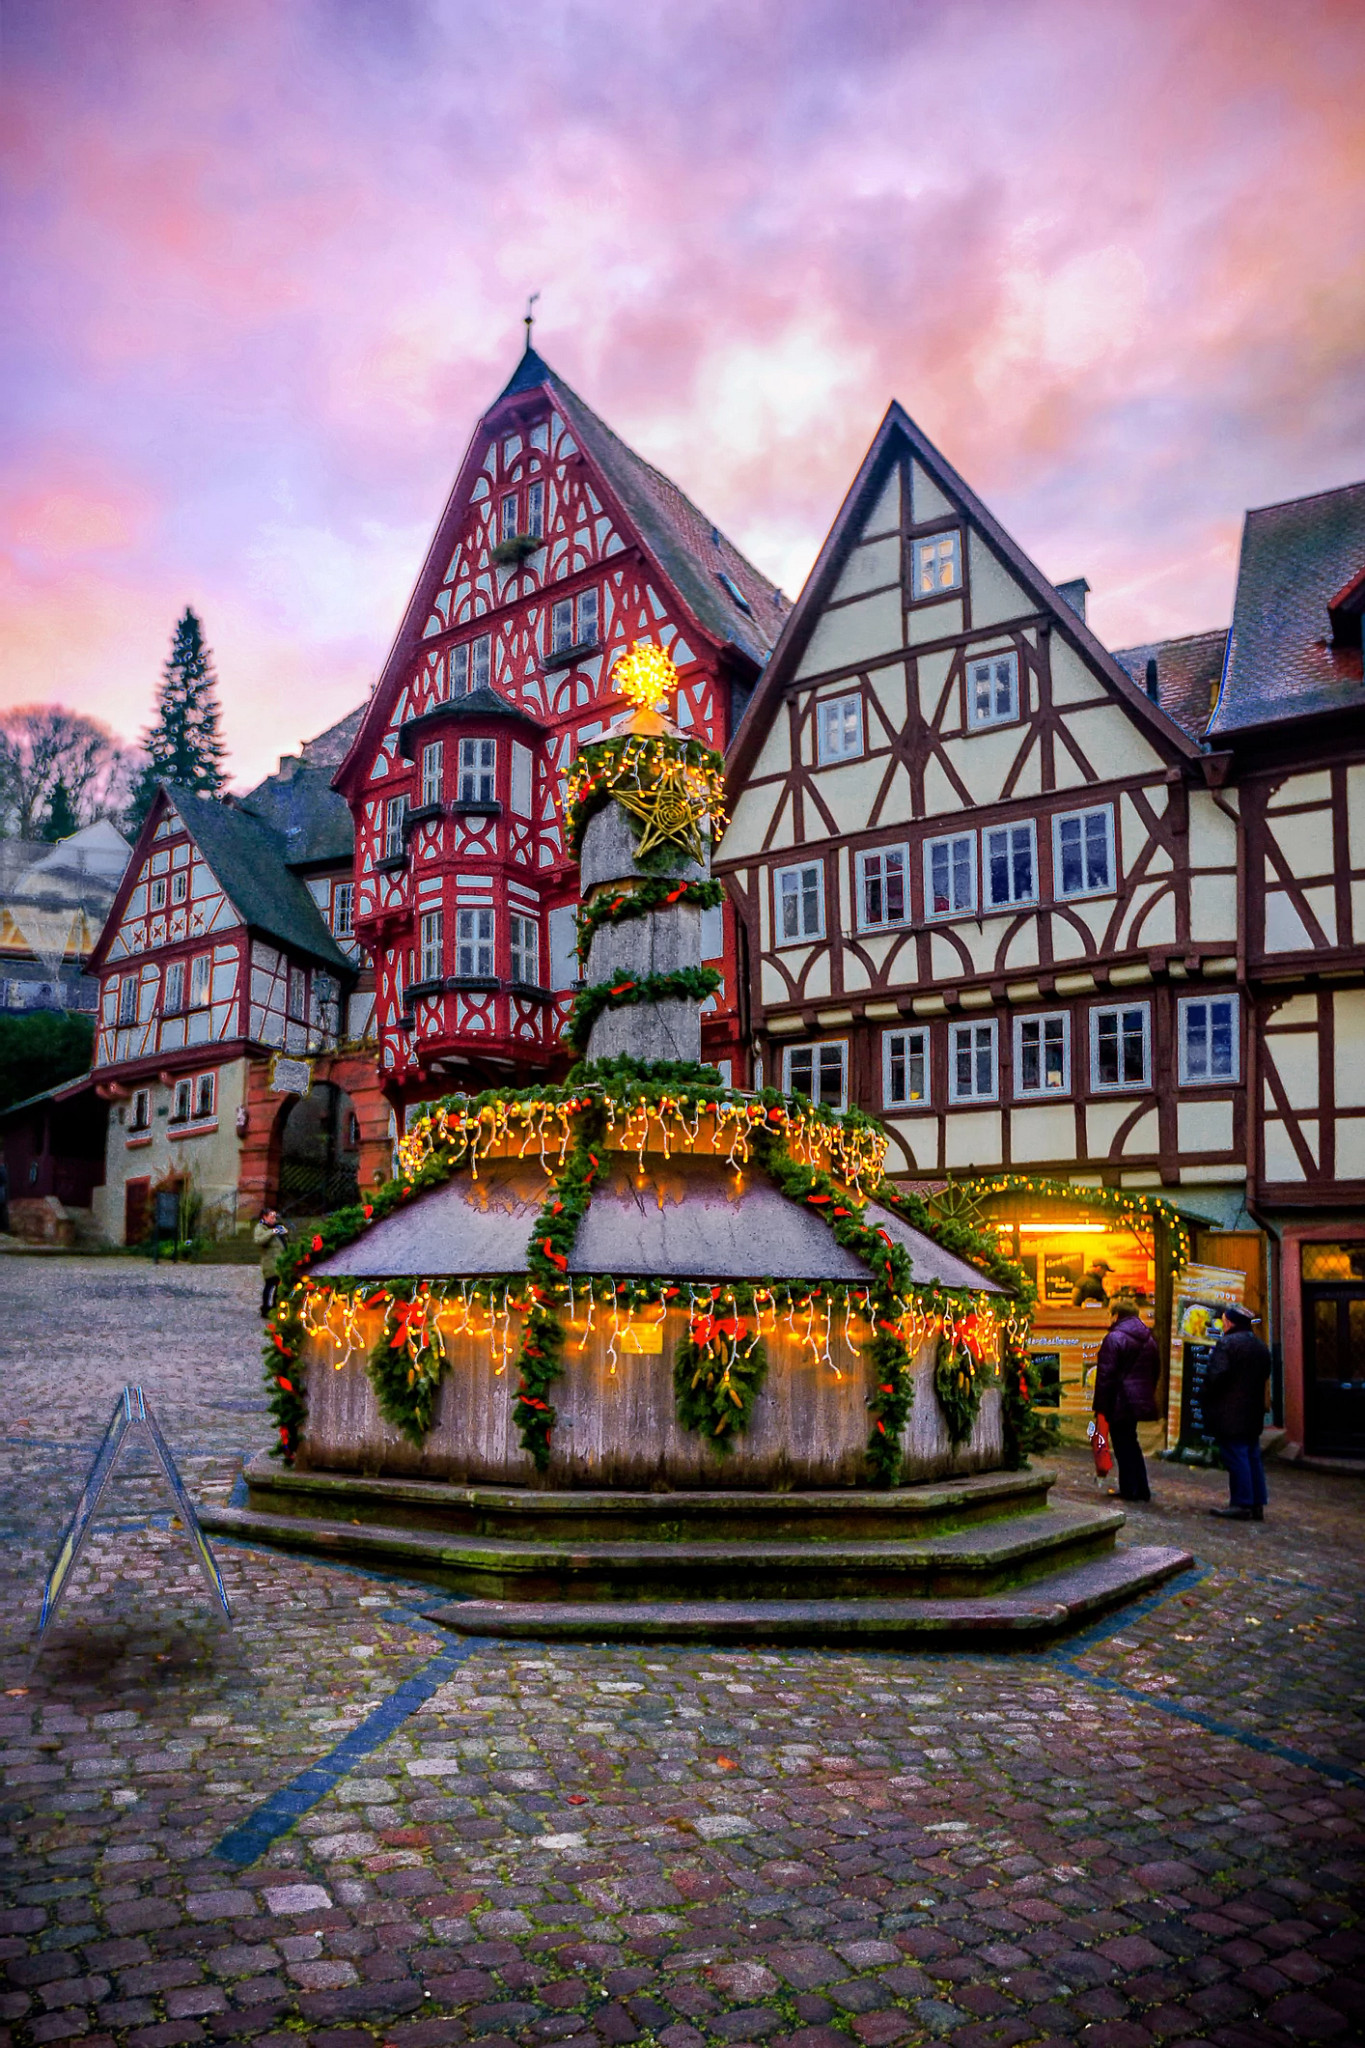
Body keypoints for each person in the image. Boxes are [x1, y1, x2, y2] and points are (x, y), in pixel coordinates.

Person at [1202, 1303, 1272, 1521]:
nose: (1222, 1325)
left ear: (1230, 1322)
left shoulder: (1227, 1344)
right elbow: (1266, 1372)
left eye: (1224, 1321)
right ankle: (1257, 1502)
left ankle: (1241, 1503)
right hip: (1252, 1411)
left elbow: (1217, 1376)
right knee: (1252, 1455)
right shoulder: (1260, 1345)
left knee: (1236, 1455)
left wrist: (1205, 1394)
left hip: (1230, 1412)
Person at [1092, 1291, 1161, 1501]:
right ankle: (1141, 1488)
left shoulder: (1114, 1338)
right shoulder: (1149, 1338)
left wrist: (1101, 1406)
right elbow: (1155, 1370)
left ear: (1116, 1315)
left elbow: (1106, 1375)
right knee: (1132, 1442)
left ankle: (1130, 1489)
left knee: (1123, 1445)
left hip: (1120, 1399)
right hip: (1138, 1398)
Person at [254, 1207, 289, 1319]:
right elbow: (259, 1241)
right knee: (269, 1286)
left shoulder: (276, 1227)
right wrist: (272, 1232)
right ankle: (265, 1308)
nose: (274, 1219)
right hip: (270, 1263)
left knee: (279, 1286)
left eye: (275, 1216)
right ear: (265, 1217)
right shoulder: (261, 1228)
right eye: (271, 1216)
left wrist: (284, 1232)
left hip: (280, 1262)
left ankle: (275, 1307)